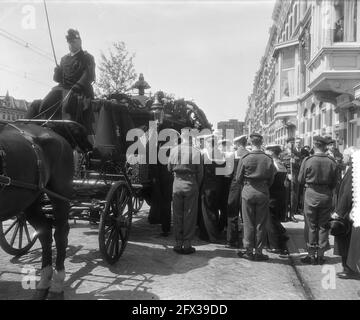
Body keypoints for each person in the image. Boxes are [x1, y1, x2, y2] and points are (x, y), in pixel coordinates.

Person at [26, 29, 95, 120]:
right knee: (45, 102)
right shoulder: (64, 59)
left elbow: (88, 75)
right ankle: (33, 122)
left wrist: (77, 86)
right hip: (63, 89)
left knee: (67, 105)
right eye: (69, 42)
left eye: (74, 42)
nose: (71, 44)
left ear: (80, 42)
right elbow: (58, 79)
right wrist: (57, 73)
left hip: (80, 91)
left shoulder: (87, 57)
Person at [298, 136, 339, 265]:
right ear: (324, 146)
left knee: (310, 225)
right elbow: (335, 182)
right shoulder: (331, 161)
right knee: (323, 226)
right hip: (326, 195)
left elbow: (300, 179)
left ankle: (311, 255)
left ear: (314, 145)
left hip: (311, 194)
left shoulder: (308, 160)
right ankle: (320, 255)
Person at [235, 133, 276, 261]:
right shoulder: (268, 158)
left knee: (247, 222)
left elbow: (238, 178)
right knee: (260, 223)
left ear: (250, 143)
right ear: (261, 142)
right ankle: (258, 251)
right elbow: (272, 178)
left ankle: (248, 250)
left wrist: (247, 185)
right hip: (263, 191)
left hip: (248, 190)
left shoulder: (245, 157)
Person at [168, 128, 203, 254]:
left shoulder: (173, 150)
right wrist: (195, 185)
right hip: (191, 183)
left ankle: (178, 243)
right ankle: (187, 244)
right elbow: (200, 173)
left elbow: (169, 168)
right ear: (191, 138)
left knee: (177, 214)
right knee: (189, 215)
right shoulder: (196, 152)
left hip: (176, 184)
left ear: (181, 137)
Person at [332, 147, 359, 279]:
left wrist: (339, 212)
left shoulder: (353, 171)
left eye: (345, 156)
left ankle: (347, 269)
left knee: (344, 241)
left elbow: (347, 194)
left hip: (348, 214)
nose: (343, 158)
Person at [198, 134, 225, 243]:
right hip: (218, 185)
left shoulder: (204, 154)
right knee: (214, 210)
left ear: (209, 143)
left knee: (207, 211)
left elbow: (200, 172)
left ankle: (210, 235)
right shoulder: (221, 154)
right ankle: (215, 232)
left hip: (207, 186)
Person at [265, 144, 289, 256]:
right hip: (280, 194)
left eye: (268, 150)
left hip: (272, 195)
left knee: (271, 220)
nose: (266, 152)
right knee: (275, 219)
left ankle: (275, 245)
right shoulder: (281, 163)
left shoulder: (272, 164)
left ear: (272, 152)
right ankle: (282, 237)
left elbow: (270, 180)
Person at [226, 135, 249, 248]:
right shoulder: (249, 154)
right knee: (246, 214)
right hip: (246, 185)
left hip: (235, 184)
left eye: (235, 144)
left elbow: (227, 173)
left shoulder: (232, 155)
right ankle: (246, 240)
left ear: (238, 144)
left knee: (232, 212)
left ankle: (232, 240)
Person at [281, 137, 302, 222]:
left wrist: (295, 162)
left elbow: (300, 165)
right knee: (286, 196)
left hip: (295, 176)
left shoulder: (297, 154)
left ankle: (292, 214)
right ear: (287, 144)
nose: (292, 144)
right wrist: (287, 173)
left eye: (293, 142)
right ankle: (285, 214)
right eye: (290, 143)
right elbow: (281, 166)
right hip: (286, 177)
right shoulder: (283, 154)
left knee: (294, 197)